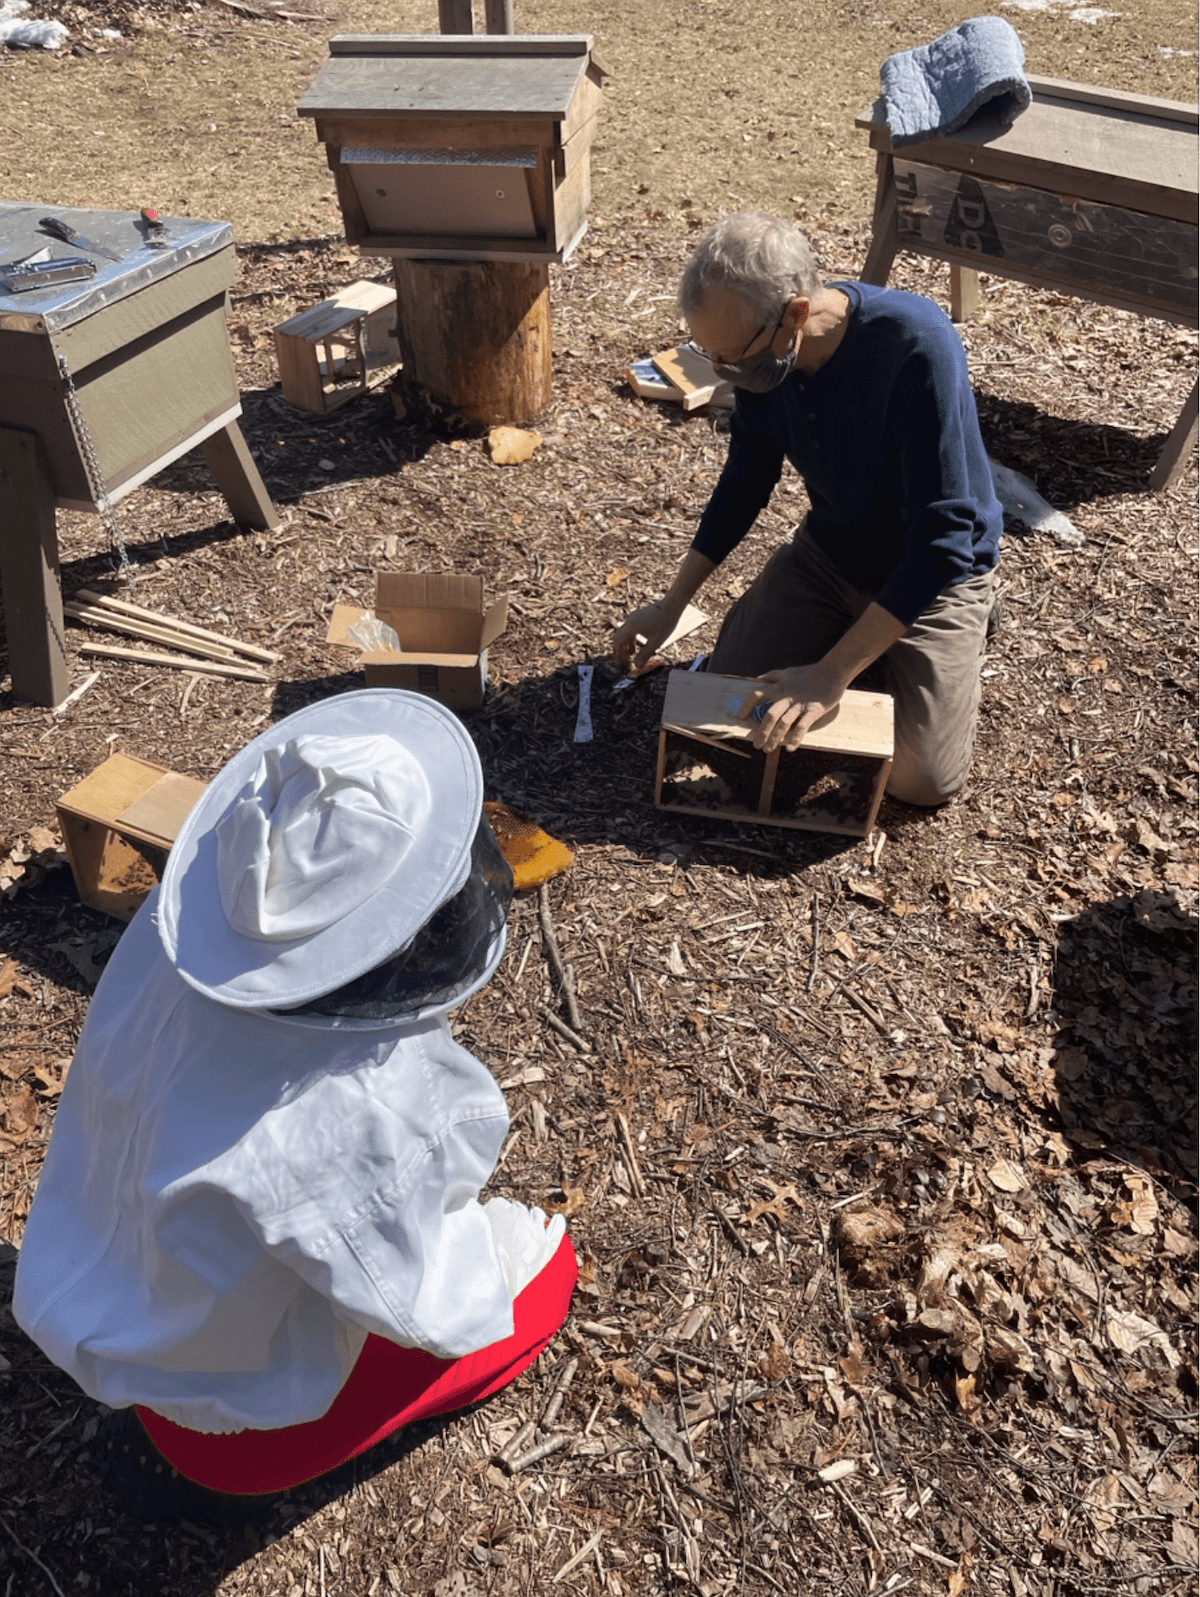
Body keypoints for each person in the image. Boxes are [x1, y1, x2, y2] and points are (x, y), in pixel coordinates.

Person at [13, 690, 575, 1495]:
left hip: (118, 1305)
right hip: (230, 1430)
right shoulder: (349, 1113)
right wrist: (514, 1250)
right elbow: (424, 1299)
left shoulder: (185, 931)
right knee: (549, 1277)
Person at [614, 211, 1002, 807]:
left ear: (796, 314)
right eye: (709, 355)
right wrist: (673, 605)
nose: (726, 372)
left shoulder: (913, 343)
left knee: (921, 782)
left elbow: (943, 540)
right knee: (727, 697)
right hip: (832, 555)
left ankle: (913, 640)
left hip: (933, 574)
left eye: (732, 355)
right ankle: (861, 643)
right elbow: (744, 482)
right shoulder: (763, 358)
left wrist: (831, 674)